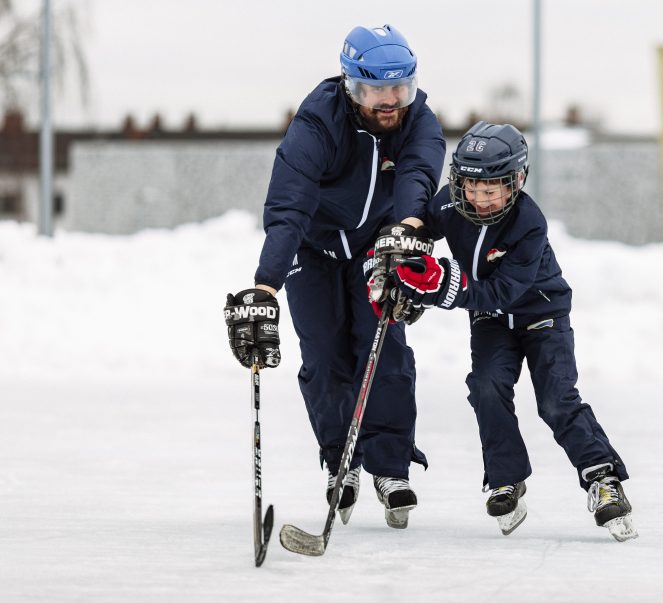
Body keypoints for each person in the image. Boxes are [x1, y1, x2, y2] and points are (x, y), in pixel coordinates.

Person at [223, 24, 445, 530]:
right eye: (375, 90)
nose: (390, 102)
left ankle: (390, 466)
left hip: (376, 244)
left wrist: (407, 231)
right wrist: (265, 285)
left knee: (381, 343)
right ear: (350, 86)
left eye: (400, 89)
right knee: (323, 352)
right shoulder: (317, 122)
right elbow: (289, 205)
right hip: (314, 246)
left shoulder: (420, 121)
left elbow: (419, 176)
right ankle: (340, 460)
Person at [384, 121, 638, 541]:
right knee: (486, 386)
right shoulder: (448, 205)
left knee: (556, 400)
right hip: (491, 320)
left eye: (490, 190)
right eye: (470, 187)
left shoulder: (529, 223)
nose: (479, 199)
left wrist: (437, 287)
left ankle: (603, 478)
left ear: (515, 182)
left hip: (541, 314)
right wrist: (400, 262)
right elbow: (419, 233)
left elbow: (502, 291)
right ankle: (506, 479)